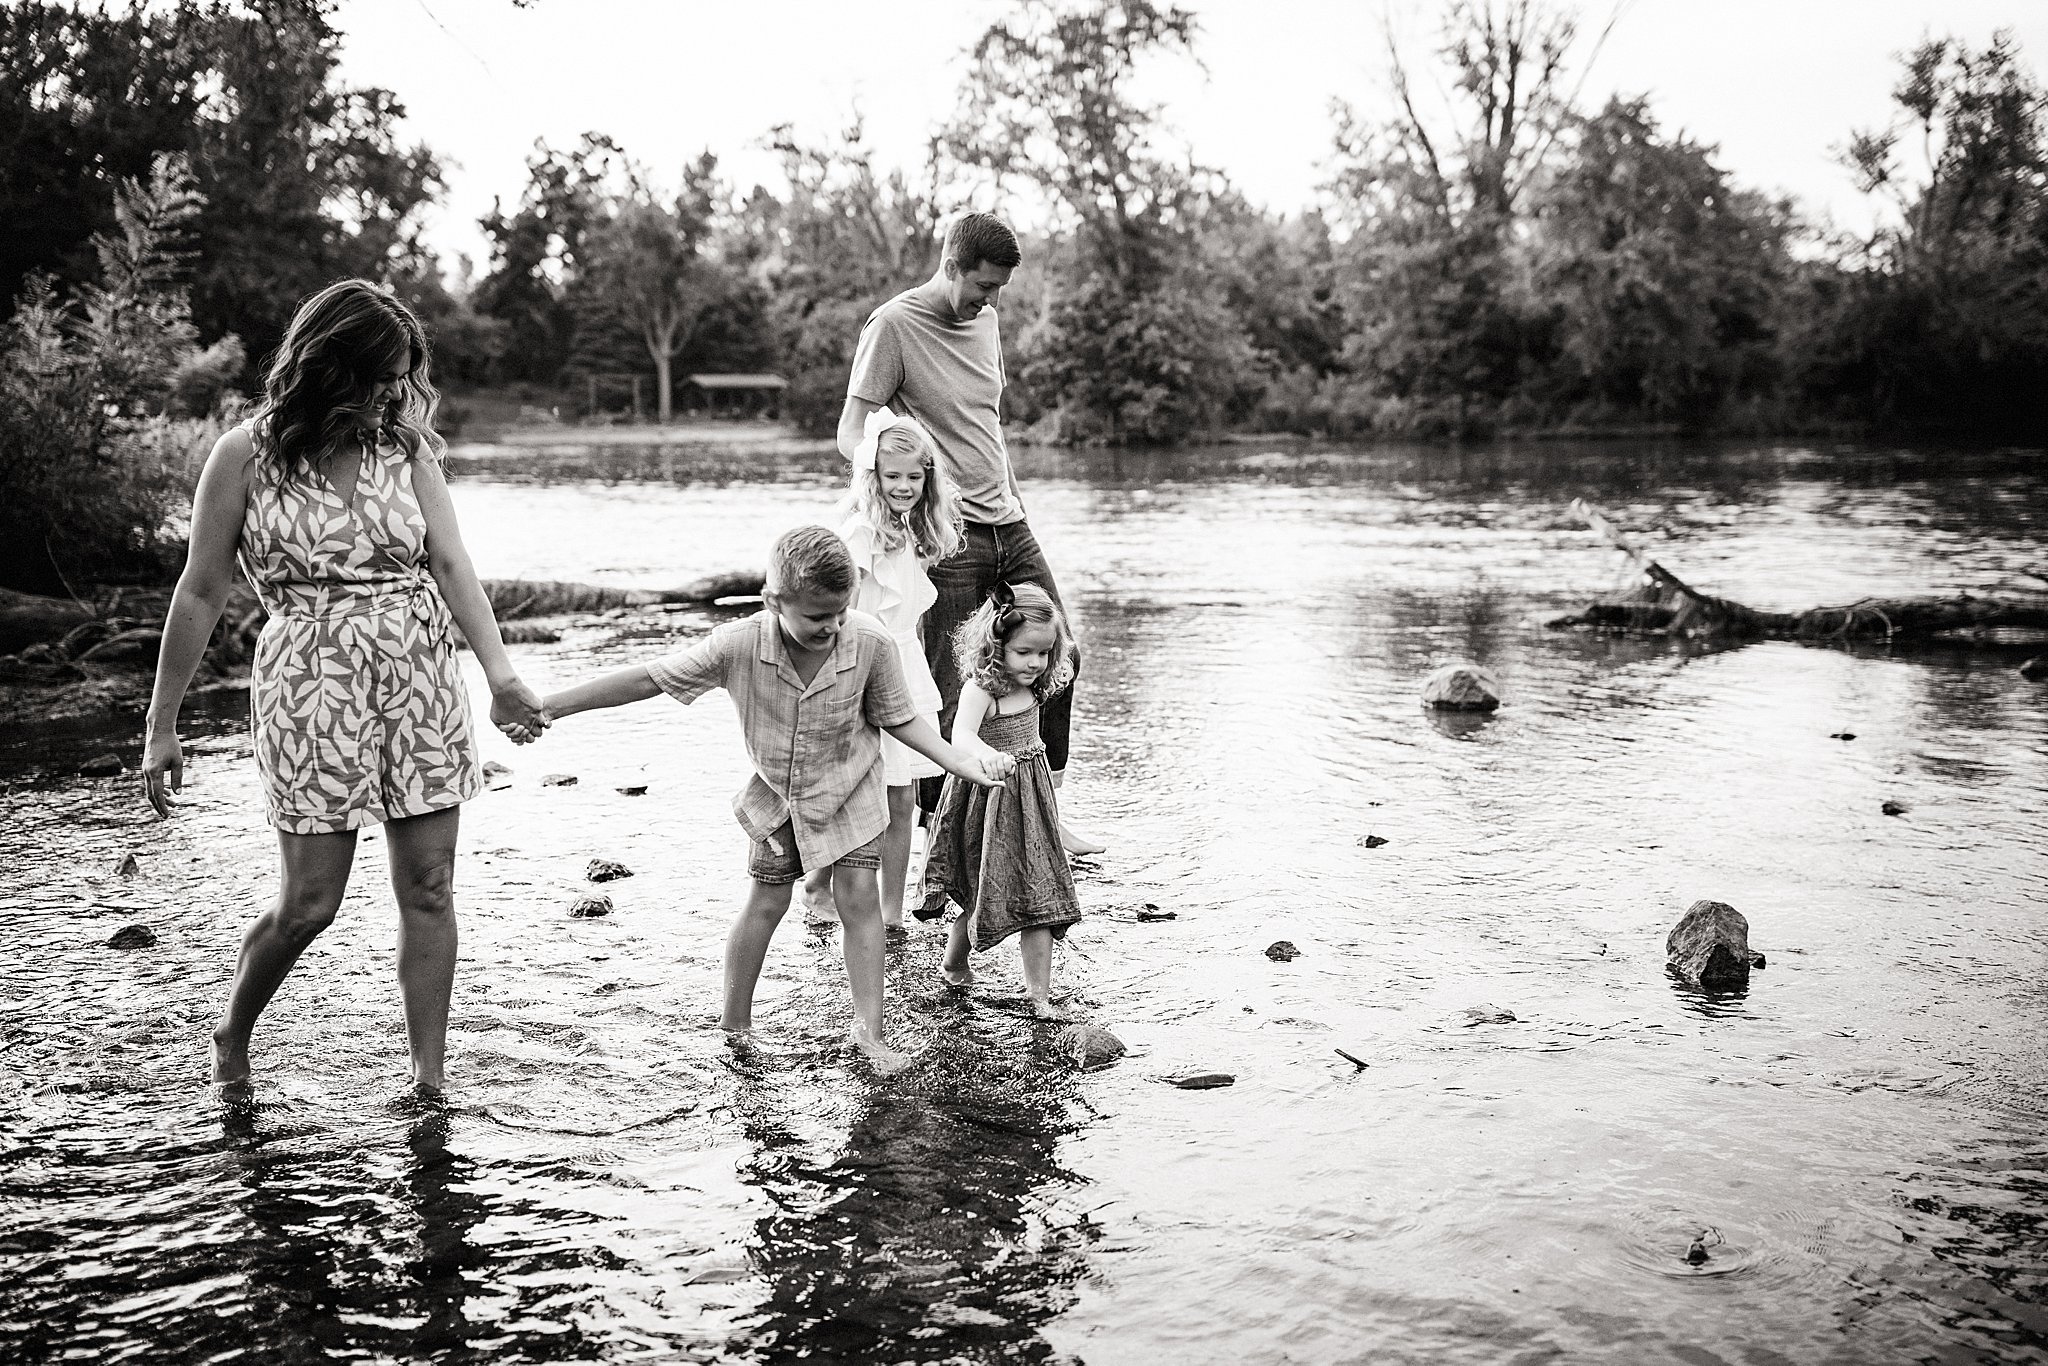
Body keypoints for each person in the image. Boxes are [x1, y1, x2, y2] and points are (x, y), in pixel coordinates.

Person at [140, 278, 549, 1093]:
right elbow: (201, 590)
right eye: (379, 378)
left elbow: (451, 565)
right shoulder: (243, 456)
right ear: (329, 368)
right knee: (311, 902)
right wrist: (162, 721)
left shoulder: (407, 451)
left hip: (419, 675)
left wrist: (500, 674)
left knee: (430, 886)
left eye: (402, 380)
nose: (394, 395)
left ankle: (428, 1082)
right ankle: (233, 1032)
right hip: (308, 680)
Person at [537, 525, 1013, 1074]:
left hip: (852, 795)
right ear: (773, 601)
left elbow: (901, 719)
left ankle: (869, 1031)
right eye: (816, 617)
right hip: (779, 801)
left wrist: (961, 762)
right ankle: (734, 1026)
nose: (832, 627)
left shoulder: (870, 643)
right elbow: (649, 678)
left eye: (841, 612)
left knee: (860, 904)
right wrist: (552, 706)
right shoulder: (739, 644)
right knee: (767, 901)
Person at [839, 210, 1104, 856]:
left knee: (1060, 659)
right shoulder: (894, 326)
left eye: (998, 292)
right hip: (946, 536)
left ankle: (1043, 814)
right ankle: (943, 838)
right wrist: (892, 495)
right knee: (952, 686)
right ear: (951, 266)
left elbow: (985, 423)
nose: (989, 302)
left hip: (1009, 521)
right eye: (982, 287)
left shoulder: (984, 322)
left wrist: (1013, 495)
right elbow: (853, 429)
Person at [798, 410, 962, 931]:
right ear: (873, 477)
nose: (905, 487)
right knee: (851, 786)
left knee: (903, 793)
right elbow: (838, 607)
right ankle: (817, 885)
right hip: (862, 665)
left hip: (905, 665)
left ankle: (892, 911)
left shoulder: (911, 529)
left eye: (915, 477)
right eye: (893, 477)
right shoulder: (860, 533)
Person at [918, 582, 1083, 1020]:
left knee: (1039, 899)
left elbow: (1035, 738)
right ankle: (954, 963)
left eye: (1044, 653)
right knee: (980, 895)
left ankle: (1039, 996)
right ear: (997, 643)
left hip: (1031, 799)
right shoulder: (983, 690)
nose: (1035, 662)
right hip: (987, 802)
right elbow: (961, 736)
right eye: (1024, 651)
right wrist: (989, 755)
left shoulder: (1036, 686)